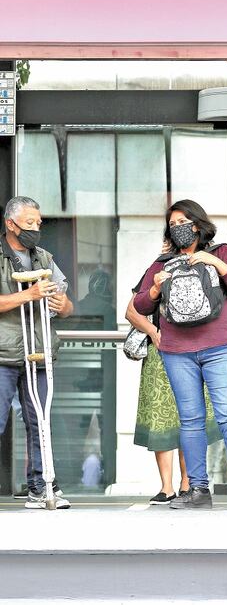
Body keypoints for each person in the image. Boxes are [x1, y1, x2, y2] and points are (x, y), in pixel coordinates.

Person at [134, 199, 227, 510]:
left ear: (198, 225)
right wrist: (154, 290)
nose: (178, 229)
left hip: (220, 347)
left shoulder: (222, 252)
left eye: (183, 223)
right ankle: (198, 490)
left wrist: (215, 263)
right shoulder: (161, 265)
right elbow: (140, 307)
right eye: (172, 225)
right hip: (177, 352)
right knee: (190, 421)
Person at [127, 242, 222, 505]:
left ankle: (187, 483)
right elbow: (131, 309)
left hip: (193, 350)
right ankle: (166, 485)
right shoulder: (157, 269)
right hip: (162, 353)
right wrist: (153, 332)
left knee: (188, 417)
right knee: (161, 417)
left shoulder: (205, 267)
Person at [0, 196, 72, 509]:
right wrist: (28, 295)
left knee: (40, 421)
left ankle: (43, 487)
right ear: (10, 223)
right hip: (3, 352)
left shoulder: (43, 257)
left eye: (38, 223)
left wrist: (63, 305)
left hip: (38, 351)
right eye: (29, 223)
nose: (35, 228)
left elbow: (66, 304)